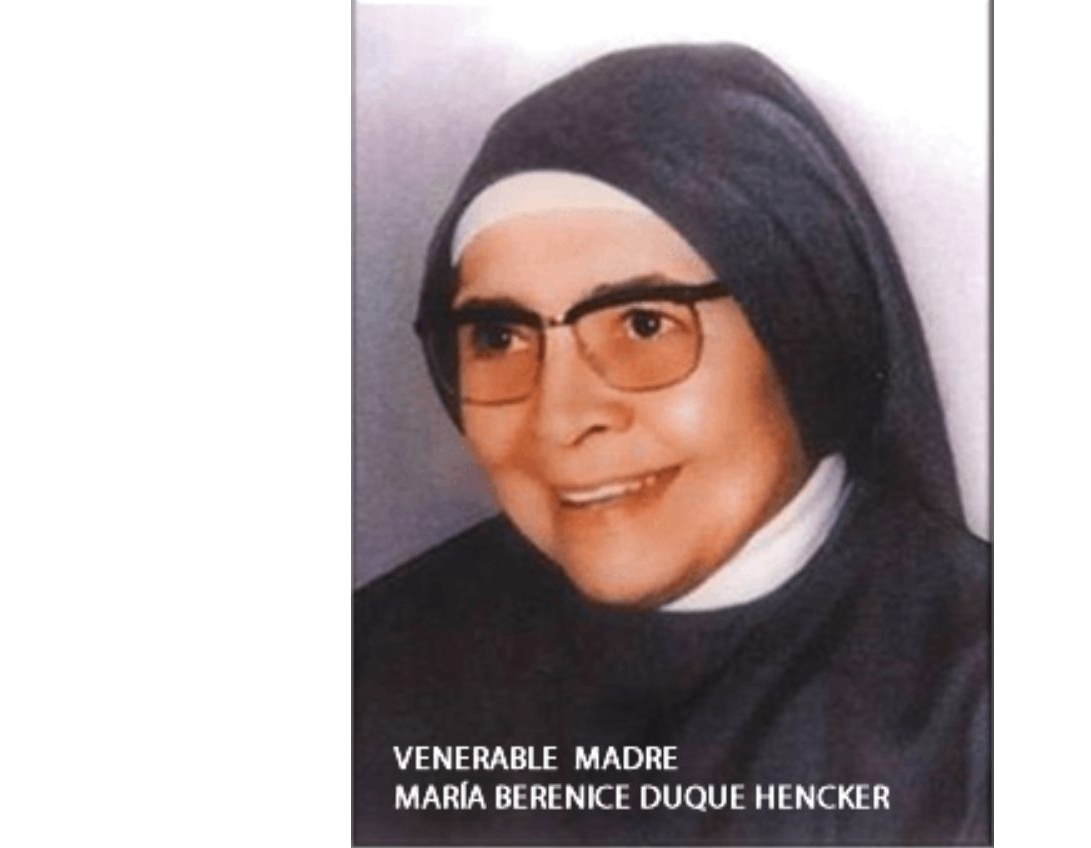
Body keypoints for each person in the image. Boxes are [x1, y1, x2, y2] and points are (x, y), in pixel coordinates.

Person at [354, 43, 991, 844]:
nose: (558, 419)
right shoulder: (370, 661)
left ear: (801, 326)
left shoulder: (986, 696)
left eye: (645, 324)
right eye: (499, 335)